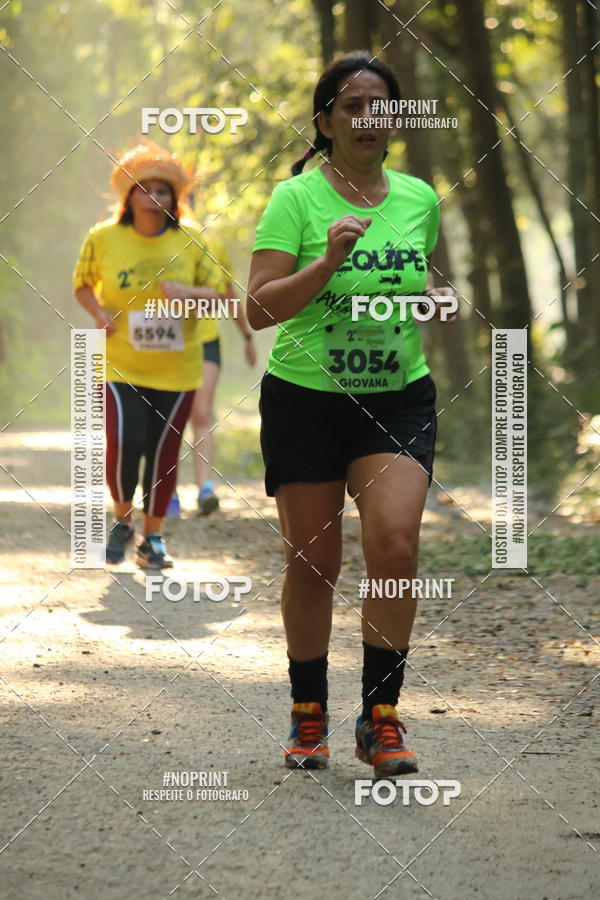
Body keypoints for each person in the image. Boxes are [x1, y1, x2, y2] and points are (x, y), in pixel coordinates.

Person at [247, 52, 457, 776]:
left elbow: (416, 276)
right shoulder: (294, 200)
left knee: (395, 547)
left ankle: (382, 720)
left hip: (396, 398)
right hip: (305, 400)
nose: (369, 118)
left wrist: (429, 298)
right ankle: (309, 715)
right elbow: (258, 308)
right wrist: (328, 264)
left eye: (381, 105)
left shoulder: (419, 199)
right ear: (326, 121)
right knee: (313, 564)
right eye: (353, 106)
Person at [73, 141, 225, 569]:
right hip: (120, 362)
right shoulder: (103, 238)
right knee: (125, 441)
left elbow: (219, 293)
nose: (153, 198)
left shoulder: (191, 240)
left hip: (177, 370)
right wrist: (99, 313)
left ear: (174, 198)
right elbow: (82, 284)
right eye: (143, 189)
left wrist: (188, 292)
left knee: (163, 451)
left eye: (163, 191)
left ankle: (153, 538)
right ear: (129, 196)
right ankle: (124, 520)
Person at [168, 232, 257, 518]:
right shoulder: (148, 241)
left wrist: (246, 335)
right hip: (162, 341)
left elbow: (227, 294)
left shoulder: (210, 242)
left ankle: (205, 487)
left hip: (204, 339)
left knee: (201, 411)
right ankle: (166, 490)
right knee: (168, 415)